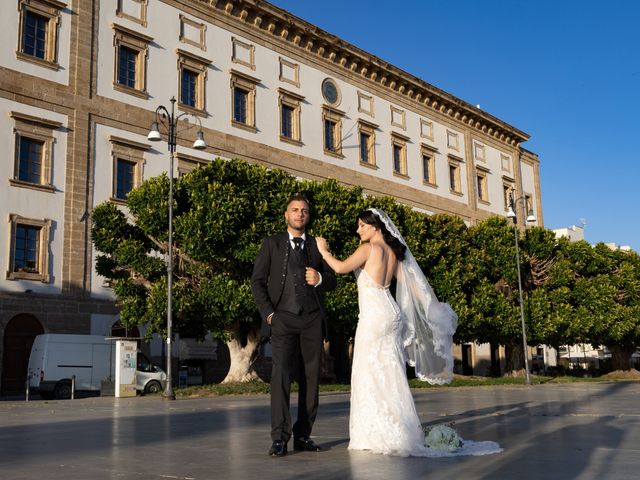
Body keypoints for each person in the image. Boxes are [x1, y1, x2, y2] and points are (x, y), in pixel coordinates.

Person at [316, 208, 501, 457]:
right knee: (391, 372)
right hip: (392, 314)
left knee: (367, 371)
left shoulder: (369, 249)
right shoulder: (394, 252)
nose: (358, 230)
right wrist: (431, 309)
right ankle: (401, 431)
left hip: (374, 316)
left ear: (375, 226)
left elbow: (339, 268)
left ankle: (372, 433)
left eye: (362, 225)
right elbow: (414, 288)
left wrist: (324, 251)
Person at [251, 194, 337, 457]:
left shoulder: (316, 245)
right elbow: (257, 282)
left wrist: (321, 277)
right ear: (286, 215)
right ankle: (280, 438)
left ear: (308, 217)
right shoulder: (272, 244)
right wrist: (269, 315)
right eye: (295, 210)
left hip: (311, 318)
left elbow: (333, 279)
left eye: (304, 211)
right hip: (283, 319)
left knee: (311, 379)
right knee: (281, 377)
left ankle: (303, 435)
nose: (300, 214)